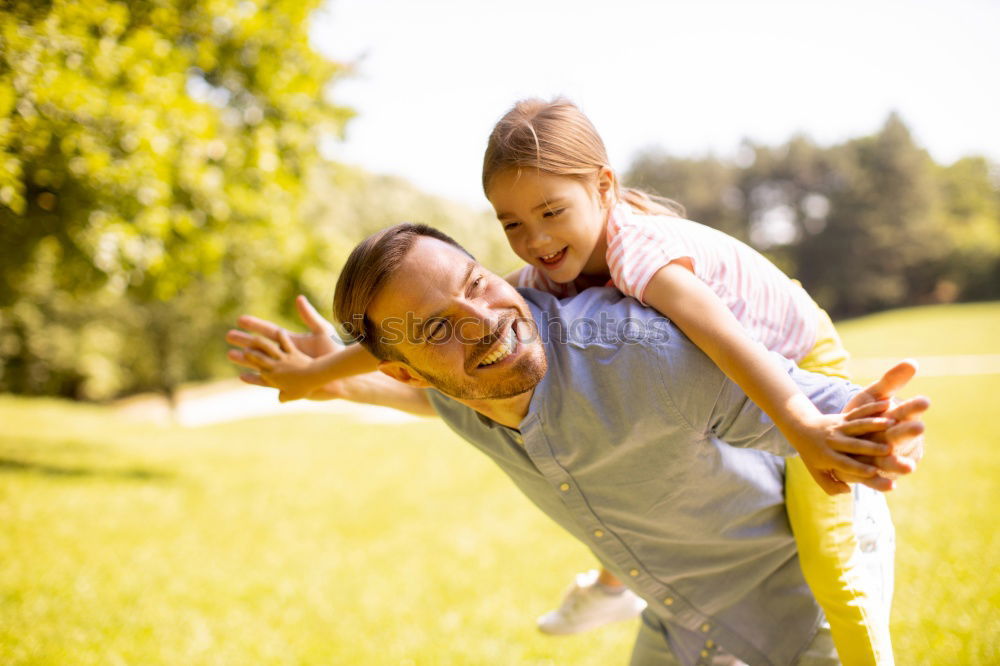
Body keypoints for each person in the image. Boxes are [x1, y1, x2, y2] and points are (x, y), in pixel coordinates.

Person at [244, 98, 900, 662]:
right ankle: (615, 584)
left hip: (799, 359)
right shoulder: (524, 298)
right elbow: (422, 366)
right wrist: (321, 374)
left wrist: (809, 424)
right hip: (689, 614)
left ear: (604, 186)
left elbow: (724, 340)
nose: (534, 239)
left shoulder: (645, 271)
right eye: (513, 226)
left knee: (836, 574)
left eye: (552, 212)